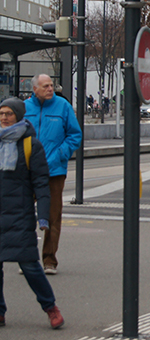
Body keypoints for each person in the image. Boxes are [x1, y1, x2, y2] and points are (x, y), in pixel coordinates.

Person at [0, 98, 64, 329]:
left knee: (29, 265)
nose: (4, 117)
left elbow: (40, 183)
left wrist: (43, 216)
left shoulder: (30, 145)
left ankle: (50, 307)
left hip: (19, 213)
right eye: (1, 113)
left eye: (9, 113)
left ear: (18, 115)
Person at [24, 74, 81, 276]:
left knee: (52, 215)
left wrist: (60, 155)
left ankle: (49, 259)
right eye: (45, 86)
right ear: (35, 89)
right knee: (25, 215)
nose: (50, 89)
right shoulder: (24, 108)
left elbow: (75, 135)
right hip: (28, 171)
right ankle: (28, 258)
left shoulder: (62, 107)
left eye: (51, 85)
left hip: (54, 170)